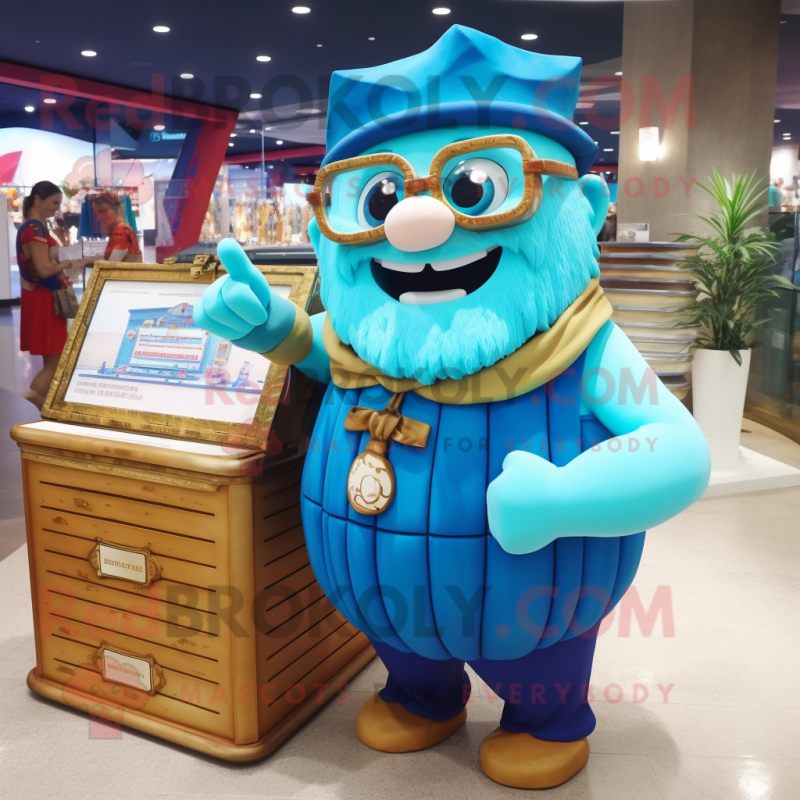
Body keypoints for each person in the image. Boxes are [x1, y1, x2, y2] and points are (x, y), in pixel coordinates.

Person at [17, 181, 92, 409]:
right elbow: (44, 269)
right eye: (54, 202)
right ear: (38, 200)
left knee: (54, 359)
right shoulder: (35, 229)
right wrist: (69, 262)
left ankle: (43, 406)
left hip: (40, 296)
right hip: (45, 299)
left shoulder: (34, 227)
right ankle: (33, 399)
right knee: (55, 362)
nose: (58, 207)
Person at [93, 191, 143, 262]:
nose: (99, 218)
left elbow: (113, 263)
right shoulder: (119, 229)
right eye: (100, 212)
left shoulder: (121, 231)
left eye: (104, 210)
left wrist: (87, 262)